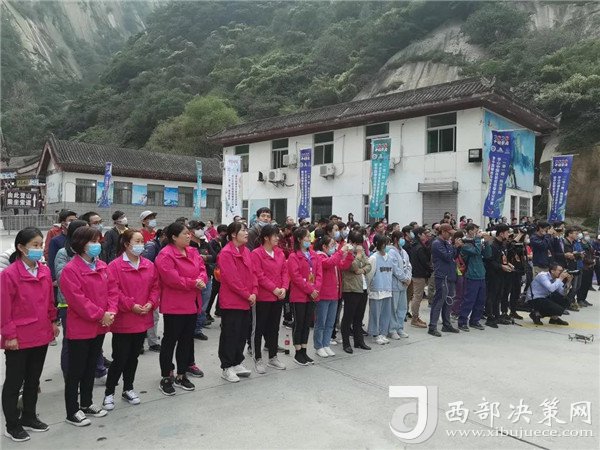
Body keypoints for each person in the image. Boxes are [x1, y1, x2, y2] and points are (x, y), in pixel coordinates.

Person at [1, 228, 59, 442]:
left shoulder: (44, 271)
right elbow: (4, 308)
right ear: (21, 247)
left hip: (41, 333)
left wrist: (53, 321)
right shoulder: (9, 274)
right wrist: (9, 335)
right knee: (14, 382)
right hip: (18, 336)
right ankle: (12, 425)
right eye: (35, 245)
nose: (39, 249)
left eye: (40, 245)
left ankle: (29, 416)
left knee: (33, 380)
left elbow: (49, 301)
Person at [60, 226, 116, 426]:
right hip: (81, 327)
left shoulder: (101, 266)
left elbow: (113, 291)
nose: (97, 245)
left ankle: (86, 403)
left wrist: (111, 311)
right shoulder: (70, 270)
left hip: (100, 325)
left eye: (98, 241)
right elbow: (78, 300)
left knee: (91, 365)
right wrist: (101, 315)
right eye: (93, 241)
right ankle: (72, 411)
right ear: (81, 244)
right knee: (76, 370)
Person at [103, 230, 159, 411]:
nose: (141, 244)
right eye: (137, 241)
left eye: (142, 241)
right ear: (126, 244)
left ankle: (128, 388)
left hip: (142, 318)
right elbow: (114, 292)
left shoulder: (149, 265)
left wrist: (151, 303)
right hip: (124, 319)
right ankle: (109, 392)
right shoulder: (115, 266)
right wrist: (131, 305)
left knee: (133, 357)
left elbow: (155, 288)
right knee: (120, 358)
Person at [155, 223, 207, 396]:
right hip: (175, 305)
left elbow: (202, 269)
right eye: (185, 233)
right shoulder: (165, 255)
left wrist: (201, 279)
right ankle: (166, 375)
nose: (189, 236)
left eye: (189, 233)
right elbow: (172, 279)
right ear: (174, 237)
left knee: (186, 341)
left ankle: (181, 374)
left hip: (192, 303)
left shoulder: (192, 251)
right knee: (170, 341)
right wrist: (194, 283)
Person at [217, 222, 258, 382]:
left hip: (246, 300)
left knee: (242, 333)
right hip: (232, 301)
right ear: (233, 234)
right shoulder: (226, 253)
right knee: (230, 334)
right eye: (243, 230)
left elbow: (253, 273)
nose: (246, 233)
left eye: (246, 230)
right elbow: (232, 279)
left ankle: (237, 362)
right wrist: (247, 295)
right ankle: (227, 367)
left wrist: (254, 292)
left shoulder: (246, 251)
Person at [250, 224, 289, 373]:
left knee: (274, 328)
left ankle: (273, 357)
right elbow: (259, 275)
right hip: (263, 297)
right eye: (275, 235)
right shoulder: (256, 254)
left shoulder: (279, 253)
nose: (277, 238)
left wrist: (284, 288)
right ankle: (257, 358)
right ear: (266, 237)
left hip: (278, 297)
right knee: (259, 328)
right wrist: (274, 289)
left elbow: (285, 272)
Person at [54, 220, 90, 379]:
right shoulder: (63, 253)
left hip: (89, 304)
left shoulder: (91, 253)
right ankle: (69, 375)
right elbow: (63, 279)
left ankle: (92, 371)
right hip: (68, 304)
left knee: (90, 341)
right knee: (70, 342)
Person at [313, 235, 353, 358]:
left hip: (334, 294)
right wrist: (340, 252)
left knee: (330, 322)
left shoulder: (332, 257)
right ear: (324, 246)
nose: (334, 248)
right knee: (321, 322)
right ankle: (319, 346)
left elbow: (343, 265)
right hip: (324, 294)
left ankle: (326, 344)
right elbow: (329, 264)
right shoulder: (320, 256)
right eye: (331, 245)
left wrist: (349, 254)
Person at [287, 228, 322, 366]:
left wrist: (315, 289)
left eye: (309, 237)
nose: (309, 239)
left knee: (307, 323)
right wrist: (310, 289)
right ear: (299, 239)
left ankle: (304, 350)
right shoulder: (293, 256)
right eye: (306, 237)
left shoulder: (314, 255)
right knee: (299, 323)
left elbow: (319, 274)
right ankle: (298, 352)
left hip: (312, 295)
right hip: (299, 295)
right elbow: (295, 277)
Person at [340, 231, 372, 354]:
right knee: (348, 317)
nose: (359, 246)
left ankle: (359, 341)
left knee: (359, 316)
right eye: (357, 244)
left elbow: (368, 265)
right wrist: (358, 256)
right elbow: (352, 266)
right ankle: (346, 343)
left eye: (360, 244)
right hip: (351, 288)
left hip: (362, 287)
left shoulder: (361, 251)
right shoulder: (346, 252)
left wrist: (362, 270)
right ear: (351, 242)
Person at [428, 224, 461, 337]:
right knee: (439, 301)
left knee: (449, 301)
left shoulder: (447, 243)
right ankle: (432, 327)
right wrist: (454, 246)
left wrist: (456, 247)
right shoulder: (437, 243)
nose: (450, 236)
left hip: (450, 275)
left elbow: (454, 256)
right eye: (449, 233)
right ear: (443, 232)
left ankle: (446, 324)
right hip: (442, 276)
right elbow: (447, 257)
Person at [458, 224, 491, 331]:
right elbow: (476, 251)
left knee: (480, 300)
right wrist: (478, 239)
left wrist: (486, 242)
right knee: (469, 300)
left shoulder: (477, 242)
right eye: (476, 231)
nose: (478, 233)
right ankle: (462, 321)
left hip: (481, 274)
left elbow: (488, 255)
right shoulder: (465, 243)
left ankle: (475, 320)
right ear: (470, 231)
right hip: (472, 275)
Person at [188, 221, 217, 341]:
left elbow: (214, 256)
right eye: (197, 228)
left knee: (203, 305)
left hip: (207, 277)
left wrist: (205, 257)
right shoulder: (189, 244)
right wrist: (201, 258)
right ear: (191, 231)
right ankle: (190, 329)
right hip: (194, 280)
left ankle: (198, 329)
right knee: (193, 305)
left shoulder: (205, 243)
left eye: (201, 228)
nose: (200, 230)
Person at [366, 234, 395, 345]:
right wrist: (369, 288)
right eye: (386, 244)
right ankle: (375, 334)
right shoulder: (373, 258)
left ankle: (383, 333)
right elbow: (369, 275)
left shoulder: (389, 257)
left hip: (387, 289)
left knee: (385, 313)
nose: (388, 246)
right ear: (381, 245)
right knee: (375, 313)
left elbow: (391, 273)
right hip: (376, 290)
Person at [141, 229, 165, 353]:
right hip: (142, 288)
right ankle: (141, 342)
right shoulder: (152, 247)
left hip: (153, 288)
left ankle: (152, 341)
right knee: (141, 316)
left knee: (154, 316)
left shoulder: (161, 246)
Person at [485, 224, 513, 327]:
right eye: (507, 232)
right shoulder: (493, 246)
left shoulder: (503, 245)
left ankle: (497, 315)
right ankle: (490, 316)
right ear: (501, 233)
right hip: (493, 274)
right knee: (492, 296)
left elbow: (503, 258)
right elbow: (490, 261)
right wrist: (501, 266)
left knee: (499, 295)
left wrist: (508, 264)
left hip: (502, 274)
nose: (508, 234)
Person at [388, 231, 412, 340]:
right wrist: (403, 278)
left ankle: (400, 328)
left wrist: (408, 278)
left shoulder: (404, 252)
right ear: (395, 239)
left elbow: (409, 265)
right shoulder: (391, 252)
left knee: (402, 307)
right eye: (401, 238)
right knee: (394, 308)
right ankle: (392, 330)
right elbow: (395, 268)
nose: (403, 240)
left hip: (404, 284)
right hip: (395, 283)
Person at [409, 227, 432, 328]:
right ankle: (414, 318)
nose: (426, 235)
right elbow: (424, 262)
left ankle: (416, 317)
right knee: (417, 297)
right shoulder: (419, 247)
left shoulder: (416, 245)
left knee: (417, 296)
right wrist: (430, 269)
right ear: (419, 235)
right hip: (419, 274)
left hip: (418, 273)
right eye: (424, 233)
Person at [206, 224, 228, 321]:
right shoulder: (213, 242)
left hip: (223, 270)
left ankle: (218, 310)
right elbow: (212, 257)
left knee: (221, 292)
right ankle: (207, 311)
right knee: (213, 293)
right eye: (222, 233)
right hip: (216, 271)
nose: (224, 235)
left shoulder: (225, 241)